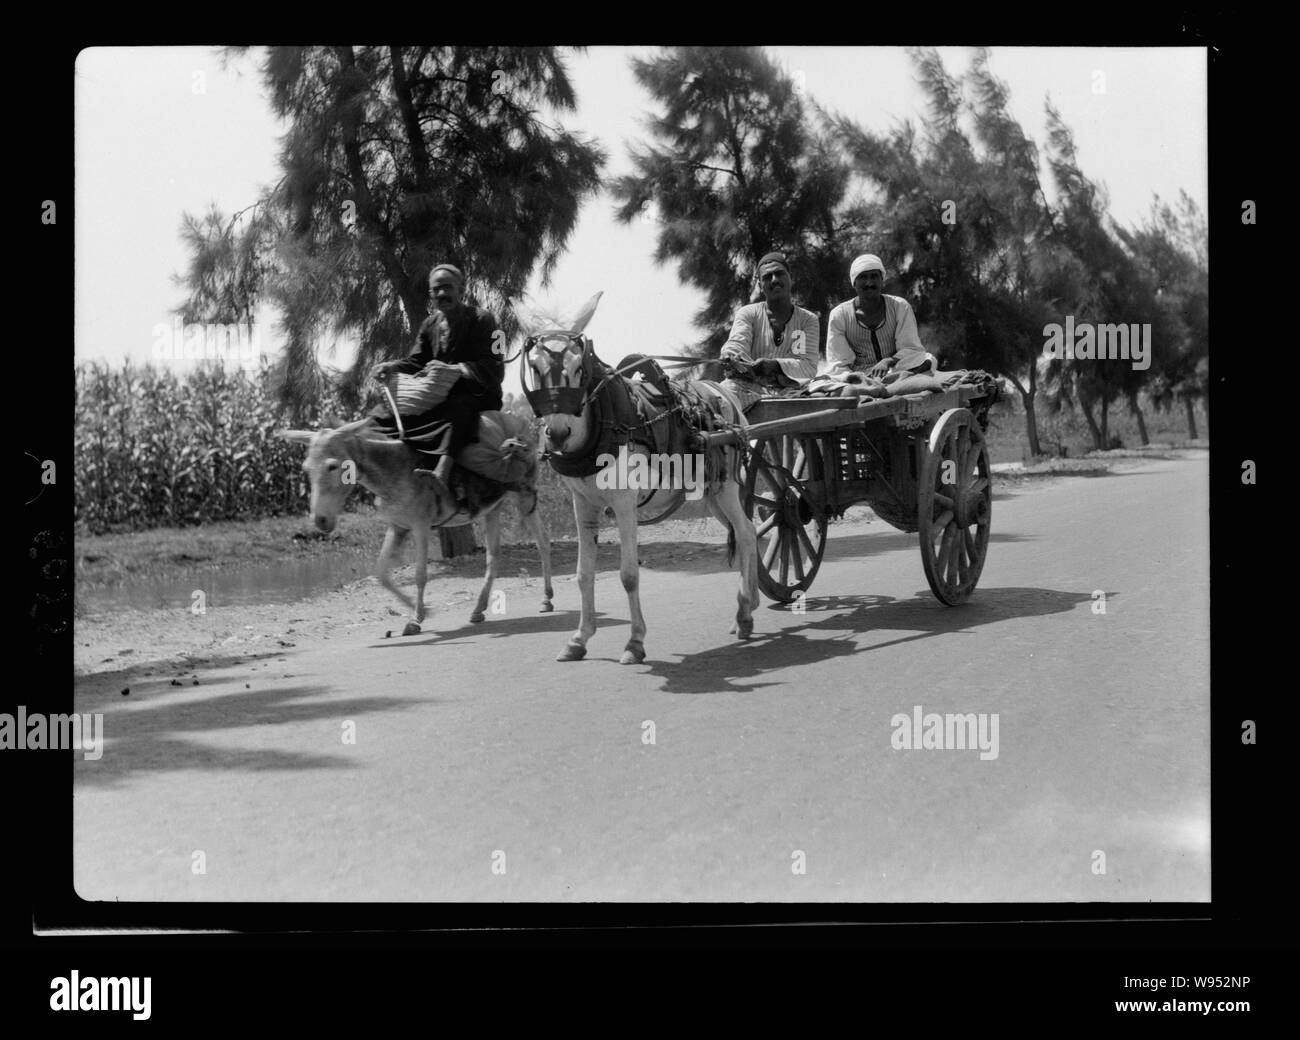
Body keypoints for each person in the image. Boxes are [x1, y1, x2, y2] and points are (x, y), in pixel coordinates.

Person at [370, 264, 525, 493]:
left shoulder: (485, 320)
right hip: (438, 397)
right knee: (380, 417)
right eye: (436, 289)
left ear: (461, 290)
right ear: (431, 294)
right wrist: (390, 366)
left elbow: (495, 368)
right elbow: (416, 362)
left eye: (447, 288)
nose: (442, 294)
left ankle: (443, 470)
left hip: (477, 396)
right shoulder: (429, 325)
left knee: (460, 407)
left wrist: (457, 369)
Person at [719, 251, 820, 409]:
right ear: (760, 286)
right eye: (767, 277)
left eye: (779, 274)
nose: (774, 280)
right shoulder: (749, 313)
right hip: (751, 389)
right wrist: (731, 356)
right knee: (724, 393)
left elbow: (807, 366)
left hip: (793, 391)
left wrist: (775, 365)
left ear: (790, 279)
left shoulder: (807, 320)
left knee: (821, 393)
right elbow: (737, 343)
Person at [825, 254, 935, 380]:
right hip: (862, 374)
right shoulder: (840, 315)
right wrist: (855, 377)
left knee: (926, 359)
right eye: (863, 277)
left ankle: (892, 380)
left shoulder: (900, 306)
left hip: (896, 368)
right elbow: (838, 361)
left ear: (882, 280)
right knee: (831, 376)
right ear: (854, 283)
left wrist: (887, 362)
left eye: (874, 276)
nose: (869, 283)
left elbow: (910, 347)